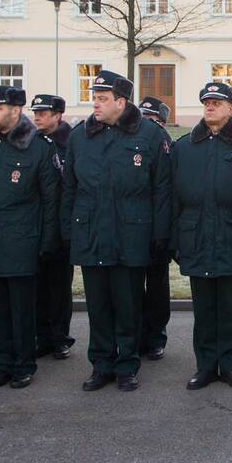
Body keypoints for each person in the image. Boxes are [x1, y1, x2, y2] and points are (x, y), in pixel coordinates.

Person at [61, 70, 171, 392]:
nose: (95, 103)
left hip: (131, 235)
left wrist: (160, 236)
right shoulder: (80, 136)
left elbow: (162, 191)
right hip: (91, 233)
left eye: (102, 99)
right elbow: (70, 187)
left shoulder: (150, 135)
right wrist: (68, 230)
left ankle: (127, 365)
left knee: (128, 305)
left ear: (120, 102)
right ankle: (101, 364)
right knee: (98, 306)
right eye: (94, 97)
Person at [0, 86, 59, 389]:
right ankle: (2, 364)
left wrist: (46, 243)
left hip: (20, 242)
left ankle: (23, 365)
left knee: (21, 311)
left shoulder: (39, 147)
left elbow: (50, 200)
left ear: (16, 110)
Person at [171, 82, 232, 390]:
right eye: (206, 102)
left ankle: (230, 366)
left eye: (217, 102)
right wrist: (176, 240)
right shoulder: (184, 147)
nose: (210, 107)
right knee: (204, 308)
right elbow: (173, 198)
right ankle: (206, 366)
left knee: (229, 308)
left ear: (230, 107)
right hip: (196, 236)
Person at [29, 93, 75, 360]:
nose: (37, 117)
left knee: (59, 288)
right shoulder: (31, 142)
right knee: (37, 286)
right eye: (35, 112)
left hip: (60, 225)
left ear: (58, 115)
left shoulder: (71, 143)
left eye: (43, 113)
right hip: (36, 224)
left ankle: (60, 337)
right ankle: (41, 336)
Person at [137, 96, 172, 362]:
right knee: (133, 288)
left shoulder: (164, 143)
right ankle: (137, 335)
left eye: (153, 119)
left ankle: (156, 336)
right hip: (134, 225)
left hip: (159, 224)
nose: (148, 124)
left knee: (157, 287)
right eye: (143, 118)